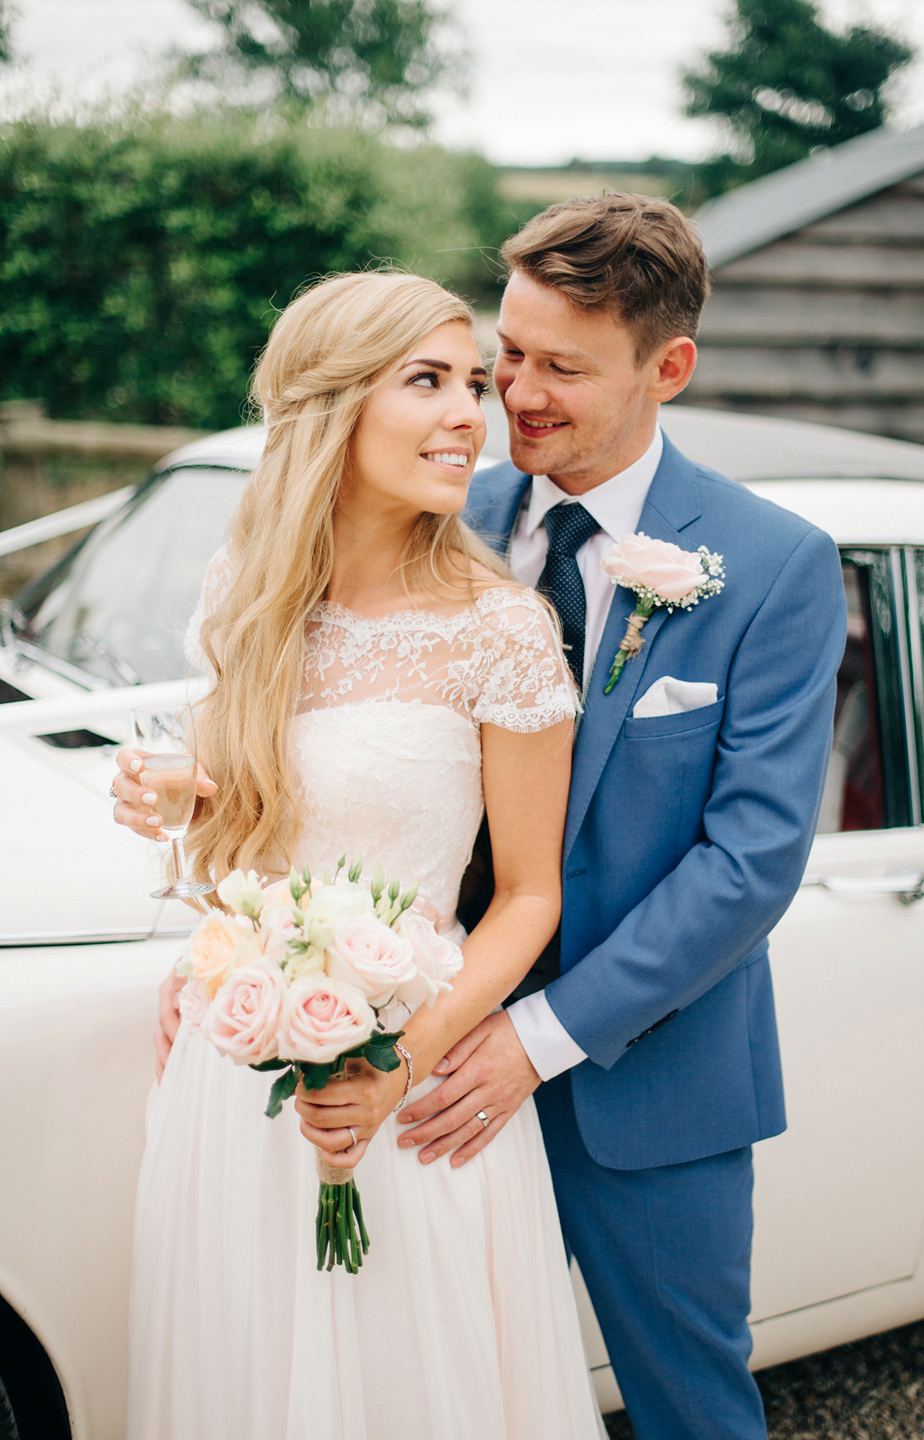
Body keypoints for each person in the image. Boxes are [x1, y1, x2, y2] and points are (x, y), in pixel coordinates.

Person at [376, 195, 848, 1440]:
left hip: (654, 1090)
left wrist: (536, 1039)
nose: (515, 395)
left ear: (668, 368)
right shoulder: (440, 520)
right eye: (508, 355)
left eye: (560, 368)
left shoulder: (775, 563)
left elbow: (748, 866)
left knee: (692, 1408)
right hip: (429, 1058)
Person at [111, 270, 605, 1440]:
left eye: (472, 385)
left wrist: (398, 1065)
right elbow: (250, 840)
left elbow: (529, 897)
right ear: (330, 410)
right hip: (235, 1083)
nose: (469, 416)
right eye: (426, 382)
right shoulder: (246, 599)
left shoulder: (502, 629)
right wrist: (186, 815)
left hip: (405, 1081)